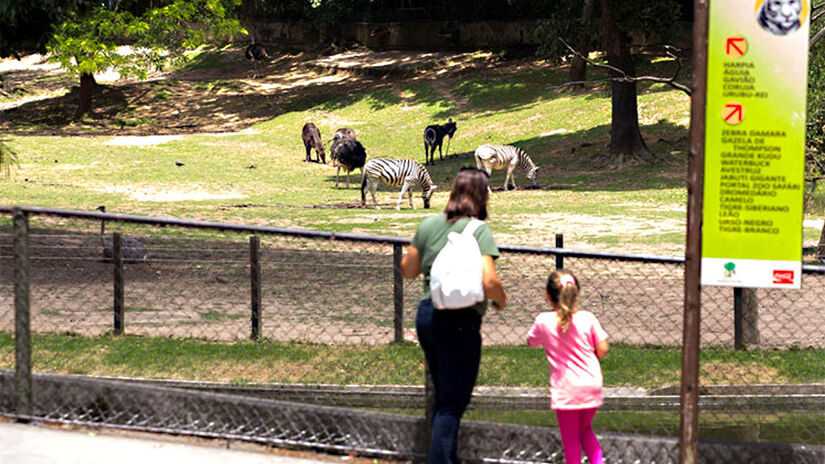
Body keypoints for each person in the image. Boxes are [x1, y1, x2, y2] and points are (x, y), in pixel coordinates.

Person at [400, 167, 508, 464]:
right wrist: (501, 299)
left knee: (443, 398)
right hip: (460, 322)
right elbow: (489, 282)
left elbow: (408, 270)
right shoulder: (479, 230)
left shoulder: (429, 225)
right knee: (452, 404)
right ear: (481, 196)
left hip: (428, 316)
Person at [527, 270, 609, 464]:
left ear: (548, 296)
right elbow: (603, 348)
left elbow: (531, 341)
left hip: (566, 388)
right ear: (576, 294)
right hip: (591, 382)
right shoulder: (588, 318)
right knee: (585, 430)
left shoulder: (543, 321)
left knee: (570, 439)